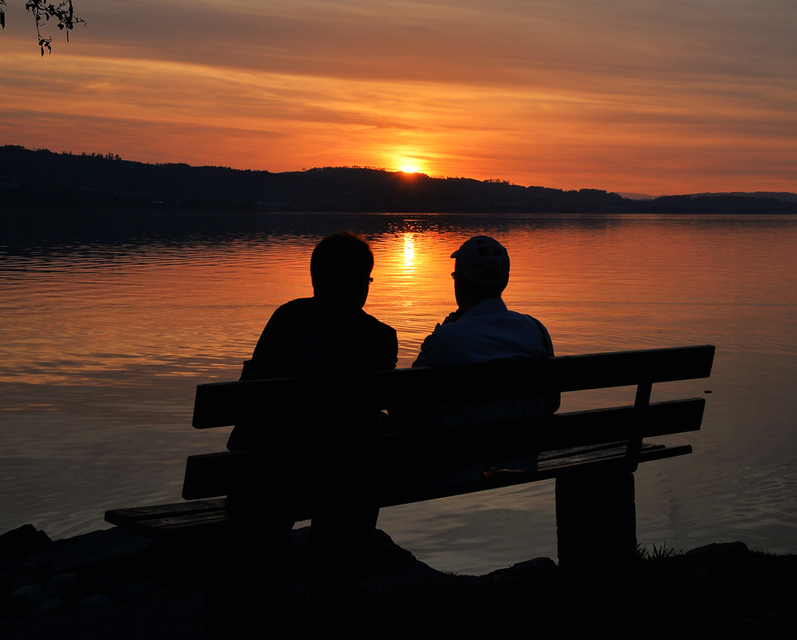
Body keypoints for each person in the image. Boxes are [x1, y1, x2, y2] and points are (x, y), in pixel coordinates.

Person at [226, 231, 397, 610]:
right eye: (368, 279)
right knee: (364, 448)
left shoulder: (287, 319)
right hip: (345, 477)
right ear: (361, 283)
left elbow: (246, 399)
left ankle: (271, 588)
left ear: (316, 278)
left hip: (274, 473)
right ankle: (335, 586)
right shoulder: (381, 337)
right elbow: (374, 406)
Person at [392, 235, 557, 480]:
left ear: (461, 282)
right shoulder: (536, 331)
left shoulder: (447, 339)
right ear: (505, 280)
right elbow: (551, 404)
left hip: (453, 470)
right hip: (521, 464)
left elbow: (404, 412)